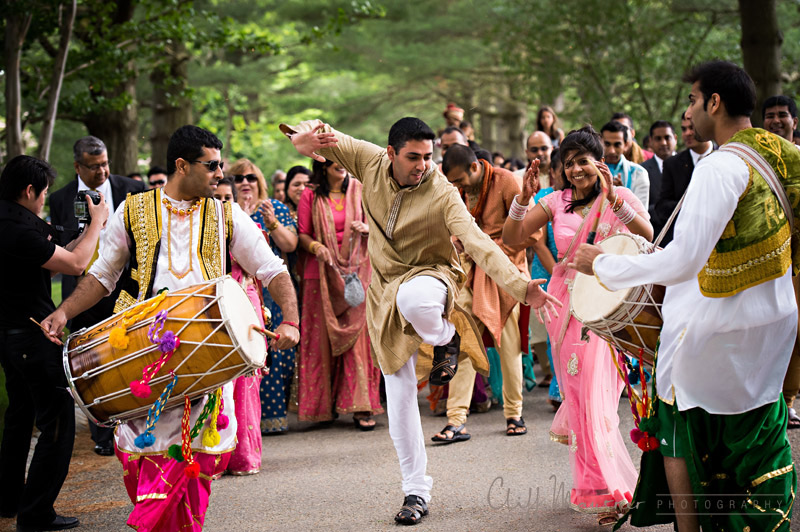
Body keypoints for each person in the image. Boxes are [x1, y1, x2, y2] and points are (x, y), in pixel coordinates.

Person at [282, 116, 559, 526]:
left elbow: (480, 243)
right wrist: (302, 134)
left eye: (429, 157)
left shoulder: (442, 191)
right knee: (398, 394)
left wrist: (521, 287)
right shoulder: (370, 160)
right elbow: (319, 131)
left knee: (417, 299)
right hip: (383, 294)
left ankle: (447, 336)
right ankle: (415, 490)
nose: (422, 165)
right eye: (413, 157)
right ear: (391, 153)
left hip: (434, 277)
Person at [572, 60, 799, 532]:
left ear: (714, 102)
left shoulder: (719, 167)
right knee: (753, 432)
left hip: (711, 332)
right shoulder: (779, 153)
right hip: (773, 323)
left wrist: (605, 265)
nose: (689, 111)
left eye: (693, 100)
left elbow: (683, 261)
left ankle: (690, 527)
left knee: (675, 425)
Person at [41, 125, 300, 531]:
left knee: (196, 458)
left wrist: (292, 320)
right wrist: (64, 311)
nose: (221, 174)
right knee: (143, 458)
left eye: (222, 166)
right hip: (141, 353)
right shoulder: (134, 210)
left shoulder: (225, 213)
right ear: (182, 165)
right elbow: (102, 277)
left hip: (209, 349)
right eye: (212, 166)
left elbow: (272, 269)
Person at [503, 126, 652, 526]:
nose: (575, 170)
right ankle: (601, 490)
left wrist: (611, 198)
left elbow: (648, 235)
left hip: (608, 308)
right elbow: (511, 236)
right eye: (568, 164)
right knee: (580, 396)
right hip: (565, 308)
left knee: (596, 397)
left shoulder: (619, 197)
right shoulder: (554, 201)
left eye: (582, 161)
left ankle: (613, 486)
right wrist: (522, 197)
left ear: (598, 162)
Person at [0, 155, 109, 532]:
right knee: (59, 422)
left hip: (10, 339)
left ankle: (9, 499)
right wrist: (98, 223)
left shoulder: (10, 222)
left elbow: (61, 253)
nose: (45, 199)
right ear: (29, 191)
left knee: (19, 417)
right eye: (43, 193)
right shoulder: (15, 230)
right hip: (32, 337)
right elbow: (78, 264)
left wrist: (85, 230)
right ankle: (36, 514)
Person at [48, 135, 146, 456]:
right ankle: (102, 434)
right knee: (89, 364)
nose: (102, 171)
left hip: (123, 289)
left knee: (128, 354)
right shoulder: (61, 199)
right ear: (77, 167)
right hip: (82, 289)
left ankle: (132, 425)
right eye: (93, 167)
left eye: (105, 164)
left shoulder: (132, 189)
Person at [433, 145, 535, 443]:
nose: (459, 187)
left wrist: (486, 248)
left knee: (509, 346)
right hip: (471, 274)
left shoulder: (506, 182)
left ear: (476, 167)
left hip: (506, 273)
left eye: (461, 180)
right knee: (462, 345)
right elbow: (455, 228)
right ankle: (456, 420)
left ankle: (514, 413)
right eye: (454, 183)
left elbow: (526, 232)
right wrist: (460, 241)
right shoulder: (459, 190)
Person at [295, 158, 382, 429]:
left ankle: (361, 406)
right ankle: (321, 408)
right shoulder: (310, 193)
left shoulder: (360, 188)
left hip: (357, 273)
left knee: (358, 340)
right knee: (319, 342)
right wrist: (316, 247)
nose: (340, 165)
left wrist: (367, 229)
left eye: (343, 160)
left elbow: (378, 224)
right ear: (323, 165)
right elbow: (303, 234)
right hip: (320, 273)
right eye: (335, 160)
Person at [228, 159, 299, 436]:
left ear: (260, 181)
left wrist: (271, 224)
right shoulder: (228, 212)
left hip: (271, 291)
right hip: (239, 291)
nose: (245, 182)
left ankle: (272, 417)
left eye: (251, 177)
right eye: (238, 178)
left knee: (275, 356)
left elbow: (290, 245)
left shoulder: (275, 208)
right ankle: (245, 422)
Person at [529, 147, 563, 411]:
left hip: (575, 274)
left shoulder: (585, 199)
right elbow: (539, 244)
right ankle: (558, 389)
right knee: (555, 335)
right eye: (564, 169)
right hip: (548, 274)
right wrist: (562, 276)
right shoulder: (543, 198)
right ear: (552, 172)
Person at [654, 112, 713, 246]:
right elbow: (661, 206)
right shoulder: (672, 164)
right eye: (684, 129)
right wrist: (692, 206)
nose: (687, 133)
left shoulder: (725, 155)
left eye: (692, 128)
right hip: (682, 240)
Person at [601, 120, 650, 207]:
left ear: (626, 145)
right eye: (607, 144)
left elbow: (642, 215)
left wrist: (622, 194)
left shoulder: (639, 173)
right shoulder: (590, 170)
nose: (612, 151)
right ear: (600, 143)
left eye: (617, 145)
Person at [641, 120, 677, 230]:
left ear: (675, 138)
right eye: (658, 139)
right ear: (651, 141)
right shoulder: (642, 170)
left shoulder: (689, 166)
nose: (663, 143)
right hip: (655, 234)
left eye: (667, 137)